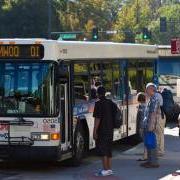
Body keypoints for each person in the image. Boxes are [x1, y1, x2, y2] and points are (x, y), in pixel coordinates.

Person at [93, 86, 115, 176]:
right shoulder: (110, 102)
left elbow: (97, 119)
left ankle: (105, 169)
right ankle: (109, 169)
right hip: (110, 129)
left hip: (102, 130)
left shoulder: (98, 103)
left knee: (103, 150)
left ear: (98, 94)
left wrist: (95, 131)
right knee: (109, 149)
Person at [140, 83, 160, 168]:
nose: (146, 90)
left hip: (150, 125)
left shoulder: (154, 99)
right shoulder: (151, 98)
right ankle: (149, 161)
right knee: (148, 144)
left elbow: (153, 113)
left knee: (151, 144)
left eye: (147, 89)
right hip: (147, 124)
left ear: (152, 89)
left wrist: (150, 126)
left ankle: (153, 162)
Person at [136, 92, 147, 161]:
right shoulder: (146, 105)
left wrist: (139, 128)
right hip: (146, 125)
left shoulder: (141, 106)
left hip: (142, 126)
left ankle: (145, 156)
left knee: (145, 141)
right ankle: (146, 155)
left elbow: (141, 118)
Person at [155, 91, 165, 156]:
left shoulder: (156, 95)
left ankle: (160, 151)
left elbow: (158, 105)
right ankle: (159, 150)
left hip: (159, 116)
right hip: (161, 115)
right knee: (159, 134)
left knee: (159, 134)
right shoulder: (158, 95)